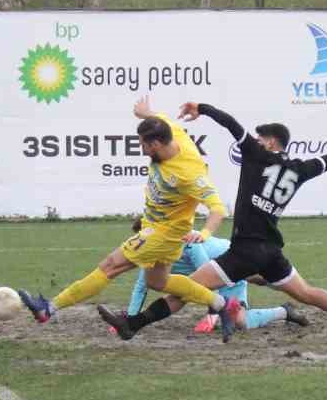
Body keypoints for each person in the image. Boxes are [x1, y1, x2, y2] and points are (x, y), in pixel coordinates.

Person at [98, 102, 327, 340]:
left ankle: (133, 325)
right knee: (308, 293)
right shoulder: (301, 169)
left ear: (271, 142)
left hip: (243, 251)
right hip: (270, 252)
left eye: (261, 138)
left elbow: (231, 124)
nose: (256, 140)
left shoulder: (256, 155)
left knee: (184, 290)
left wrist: (202, 108)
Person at [13, 97, 238, 338]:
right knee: (158, 283)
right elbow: (162, 120)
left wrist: (204, 234)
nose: (141, 149)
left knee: (110, 266)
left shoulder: (190, 173)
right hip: (161, 230)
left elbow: (217, 208)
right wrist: (146, 113)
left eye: (143, 145)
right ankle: (222, 304)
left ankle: (49, 308)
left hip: (162, 234)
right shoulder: (172, 133)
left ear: (155, 145)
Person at [121, 218, 308, 335]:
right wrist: (129, 316)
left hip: (234, 263)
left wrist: (212, 316)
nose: (141, 242)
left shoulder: (186, 240)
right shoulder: (151, 253)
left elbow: (209, 274)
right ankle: (284, 311)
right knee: (241, 323)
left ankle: (286, 283)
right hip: (218, 273)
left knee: (259, 278)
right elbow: (141, 285)